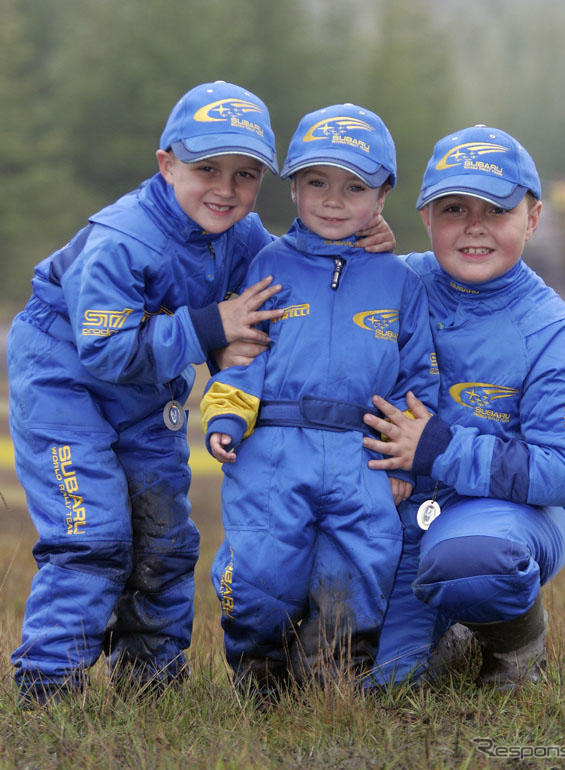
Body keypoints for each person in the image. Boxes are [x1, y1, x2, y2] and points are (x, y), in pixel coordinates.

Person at [7, 80, 394, 706]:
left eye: (245, 175)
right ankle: (48, 687)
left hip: (147, 391)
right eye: (206, 167)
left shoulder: (242, 237)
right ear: (166, 164)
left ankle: (150, 682)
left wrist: (359, 243)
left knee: (167, 535)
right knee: (92, 534)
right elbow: (103, 349)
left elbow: (293, 275)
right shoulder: (123, 239)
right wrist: (212, 330)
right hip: (64, 385)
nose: (226, 188)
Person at [200, 103, 438, 700]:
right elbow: (244, 352)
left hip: (362, 455)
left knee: (357, 570)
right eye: (316, 183)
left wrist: (403, 454)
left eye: (354, 186)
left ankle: (330, 681)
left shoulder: (401, 281)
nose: (333, 200)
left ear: (383, 195)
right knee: (261, 568)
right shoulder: (268, 264)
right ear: (294, 188)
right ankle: (259, 678)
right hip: (273, 451)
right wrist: (226, 414)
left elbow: (417, 378)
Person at [361, 124, 565, 689]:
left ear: (533, 217)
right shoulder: (394, 283)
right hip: (392, 510)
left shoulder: (553, 336)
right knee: (383, 683)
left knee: (472, 560)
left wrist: (439, 448)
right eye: (453, 208)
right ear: (425, 217)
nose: (474, 226)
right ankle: (448, 634)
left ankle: (514, 647)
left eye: (495, 210)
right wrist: (345, 248)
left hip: (502, 513)